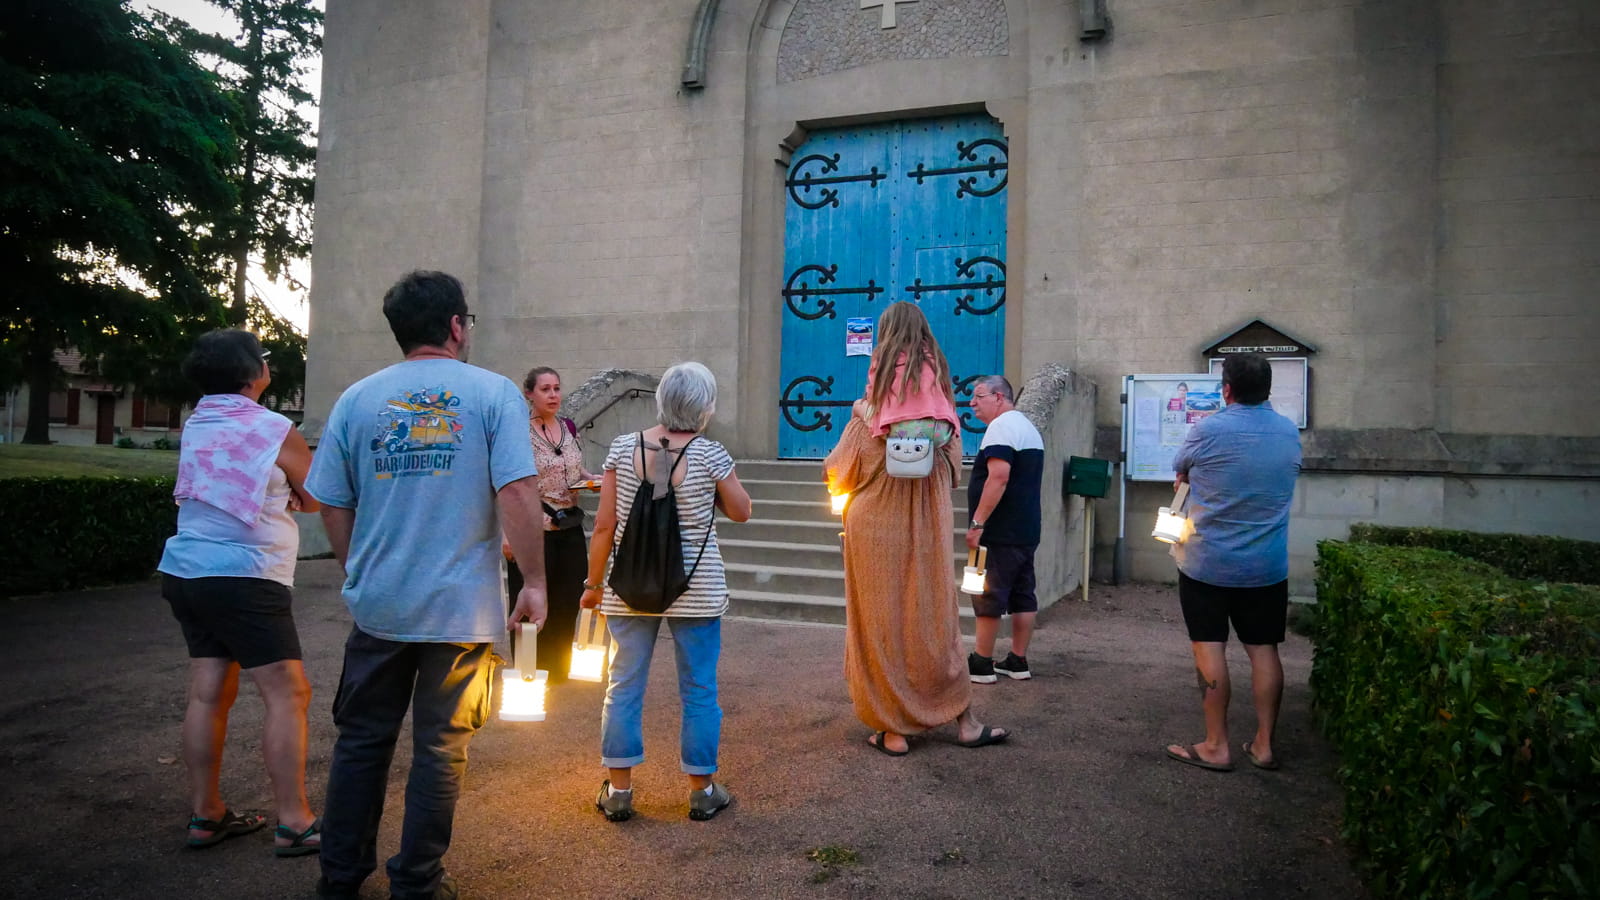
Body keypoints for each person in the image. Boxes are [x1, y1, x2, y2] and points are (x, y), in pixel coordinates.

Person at [306, 271, 549, 900]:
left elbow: (330, 499)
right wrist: (536, 581)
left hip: (380, 605)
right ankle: (416, 881)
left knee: (361, 743)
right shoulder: (493, 394)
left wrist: (355, 564)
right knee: (440, 751)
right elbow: (519, 491)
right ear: (455, 326)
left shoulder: (357, 399)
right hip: (459, 611)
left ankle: (339, 878)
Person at [157, 328, 323, 856]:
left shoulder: (198, 420)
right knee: (288, 694)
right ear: (253, 372)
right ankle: (295, 822)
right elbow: (317, 495)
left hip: (187, 569)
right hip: (246, 574)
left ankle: (206, 815)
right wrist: (296, 493)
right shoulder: (274, 427)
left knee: (210, 692)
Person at [824, 301, 1009, 756]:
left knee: (881, 624)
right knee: (934, 620)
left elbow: (840, 472)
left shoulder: (866, 418)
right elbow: (953, 472)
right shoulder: (944, 418)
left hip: (874, 528)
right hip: (927, 525)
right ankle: (964, 720)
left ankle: (894, 729)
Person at [580, 361, 751, 823]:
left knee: (623, 686)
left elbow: (603, 525)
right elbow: (741, 511)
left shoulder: (621, 448)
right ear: (706, 406)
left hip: (629, 587)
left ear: (661, 401)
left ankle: (618, 792)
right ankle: (702, 790)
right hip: (696, 591)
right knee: (698, 689)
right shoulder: (711, 455)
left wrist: (593, 585)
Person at [1163, 353, 1301, 773]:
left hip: (1208, 563)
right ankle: (1263, 745)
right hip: (1267, 566)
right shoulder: (1287, 430)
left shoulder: (1209, 429)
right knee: (1264, 651)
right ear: (1268, 389)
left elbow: (1179, 468)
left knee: (1210, 647)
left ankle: (1216, 745)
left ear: (1226, 389)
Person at [505, 366, 598, 683]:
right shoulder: (518, 432)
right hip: (533, 526)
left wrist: (590, 479)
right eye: (545, 389)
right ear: (529, 394)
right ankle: (528, 667)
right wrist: (507, 531)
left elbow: (572, 466)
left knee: (569, 593)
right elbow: (507, 481)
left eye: (557, 388)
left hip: (569, 523)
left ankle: (556, 667)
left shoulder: (569, 427)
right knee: (531, 595)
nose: (553, 395)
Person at [963, 375, 1045, 683]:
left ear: (999, 397)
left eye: (979, 396)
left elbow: (998, 476)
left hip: (1000, 530)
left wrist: (977, 523)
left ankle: (982, 662)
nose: (972, 403)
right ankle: (1017, 660)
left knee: (988, 593)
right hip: (1026, 528)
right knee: (1024, 594)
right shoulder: (1028, 428)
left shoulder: (1001, 427)